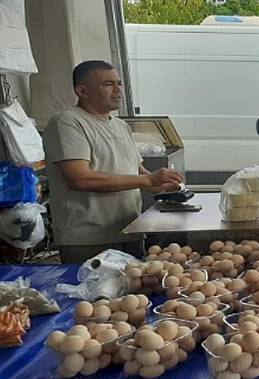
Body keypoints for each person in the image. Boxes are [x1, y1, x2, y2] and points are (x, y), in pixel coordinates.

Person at [43, 60, 183, 264]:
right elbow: (80, 179)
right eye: (108, 84)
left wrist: (162, 186)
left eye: (119, 83)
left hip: (130, 232)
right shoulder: (67, 122)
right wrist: (147, 181)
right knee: (93, 294)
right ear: (82, 91)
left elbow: (138, 173)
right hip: (88, 240)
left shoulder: (121, 126)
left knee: (133, 293)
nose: (118, 90)